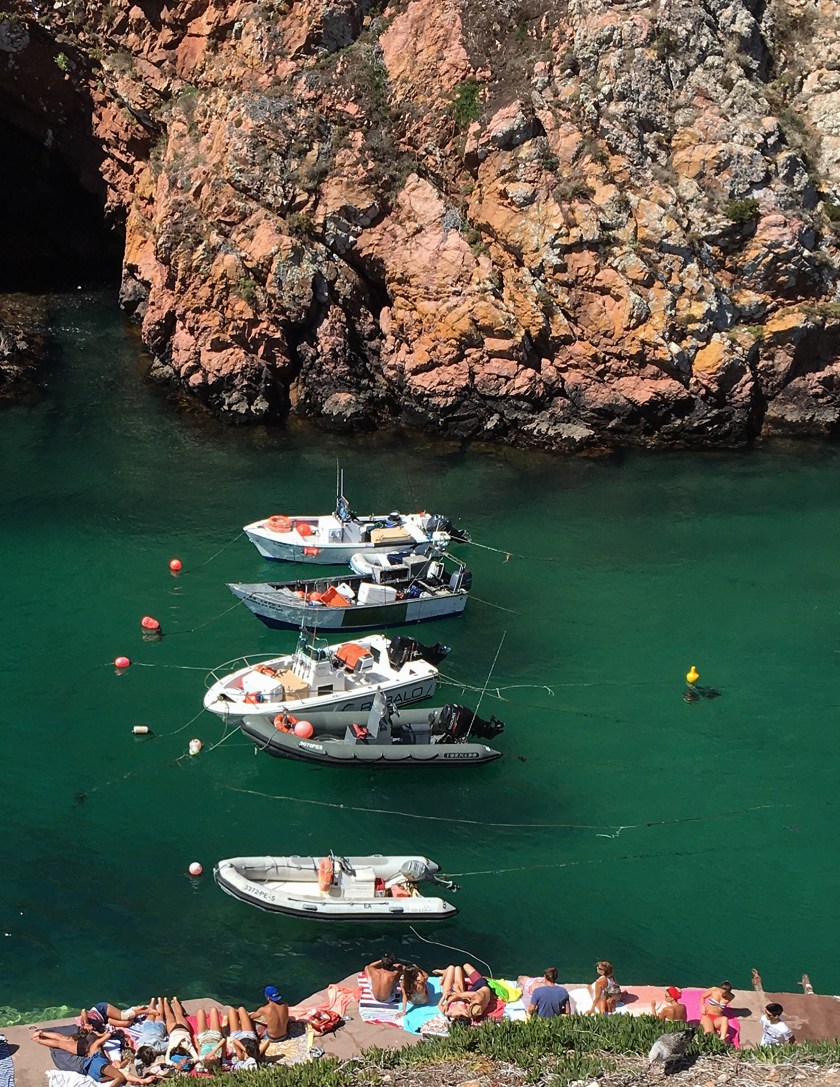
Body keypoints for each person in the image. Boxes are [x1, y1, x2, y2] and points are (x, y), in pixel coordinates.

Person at [30, 1030, 154, 1086]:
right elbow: (106, 1038)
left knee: (61, 1041)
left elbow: (105, 1038)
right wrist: (110, 1035)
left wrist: (106, 1035)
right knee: (120, 1076)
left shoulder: (96, 1048)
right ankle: (39, 1037)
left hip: (94, 1069)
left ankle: (39, 1036)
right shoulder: (96, 1048)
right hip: (95, 1072)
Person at [160, 997, 198, 1070]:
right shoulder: (188, 1047)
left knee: (170, 1015)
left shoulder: (173, 1046)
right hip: (181, 1029)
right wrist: (189, 1061)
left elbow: (167, 1060)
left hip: (176, 1030)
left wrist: (175, 1064)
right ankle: (172, 1000)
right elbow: (196, 1058)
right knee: (178, 1015)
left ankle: (168, 1001)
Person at [225, 1007, 261, 1071]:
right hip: (250, 1035)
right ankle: (238, 1015)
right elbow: (267, 1042)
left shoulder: (241, 1057)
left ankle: (236, 1016)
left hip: (237, 1036)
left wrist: (245, 1049)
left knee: (231, 1010)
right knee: (241, 1009)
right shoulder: (255, 1055)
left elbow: (235, 1041)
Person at [193, 1008, 225, 1072]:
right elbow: (223, 1041)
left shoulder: (201, 1057)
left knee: (200, 1011)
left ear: (206, 1059)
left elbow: (199, 1048)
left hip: (203, 1037)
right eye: (215, 1058)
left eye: (211, 1057)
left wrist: (195, 1039)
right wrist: (213, 1051)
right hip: (216, 1036)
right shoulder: (220, 1056)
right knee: (214, 1010)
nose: (214, 1056)